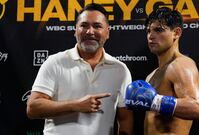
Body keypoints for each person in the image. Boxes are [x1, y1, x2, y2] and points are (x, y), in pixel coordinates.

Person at [27, 3, 133, 135]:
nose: (90, 31)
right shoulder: (54, 62)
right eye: (84, 25)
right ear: (75, 30)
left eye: (97, 26)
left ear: (107, 32)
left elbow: (125, 119)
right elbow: (33, 108)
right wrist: (75, 105)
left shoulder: (120, 70)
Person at [125, 7, 199, 135]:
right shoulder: (151, 75)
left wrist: (156, 101)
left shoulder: (181, 65)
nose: (151, 36)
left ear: (176, 33)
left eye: (158, 30)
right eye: (148, 31)